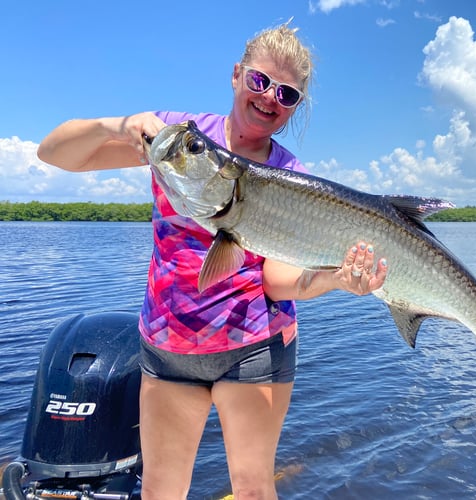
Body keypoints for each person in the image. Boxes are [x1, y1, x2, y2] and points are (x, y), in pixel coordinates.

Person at [37, 22, 387, 500]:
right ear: (237, 75)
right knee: (161, 491)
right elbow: (55, 153)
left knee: (252, 489)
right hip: (167, 349)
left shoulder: (289, 178)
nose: (268, 99)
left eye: (286, 94)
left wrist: (337, 280)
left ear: (294, 107)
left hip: (254, 349)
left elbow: (277, 279)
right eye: (260, 82)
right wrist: (117, 125)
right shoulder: (181, 141)